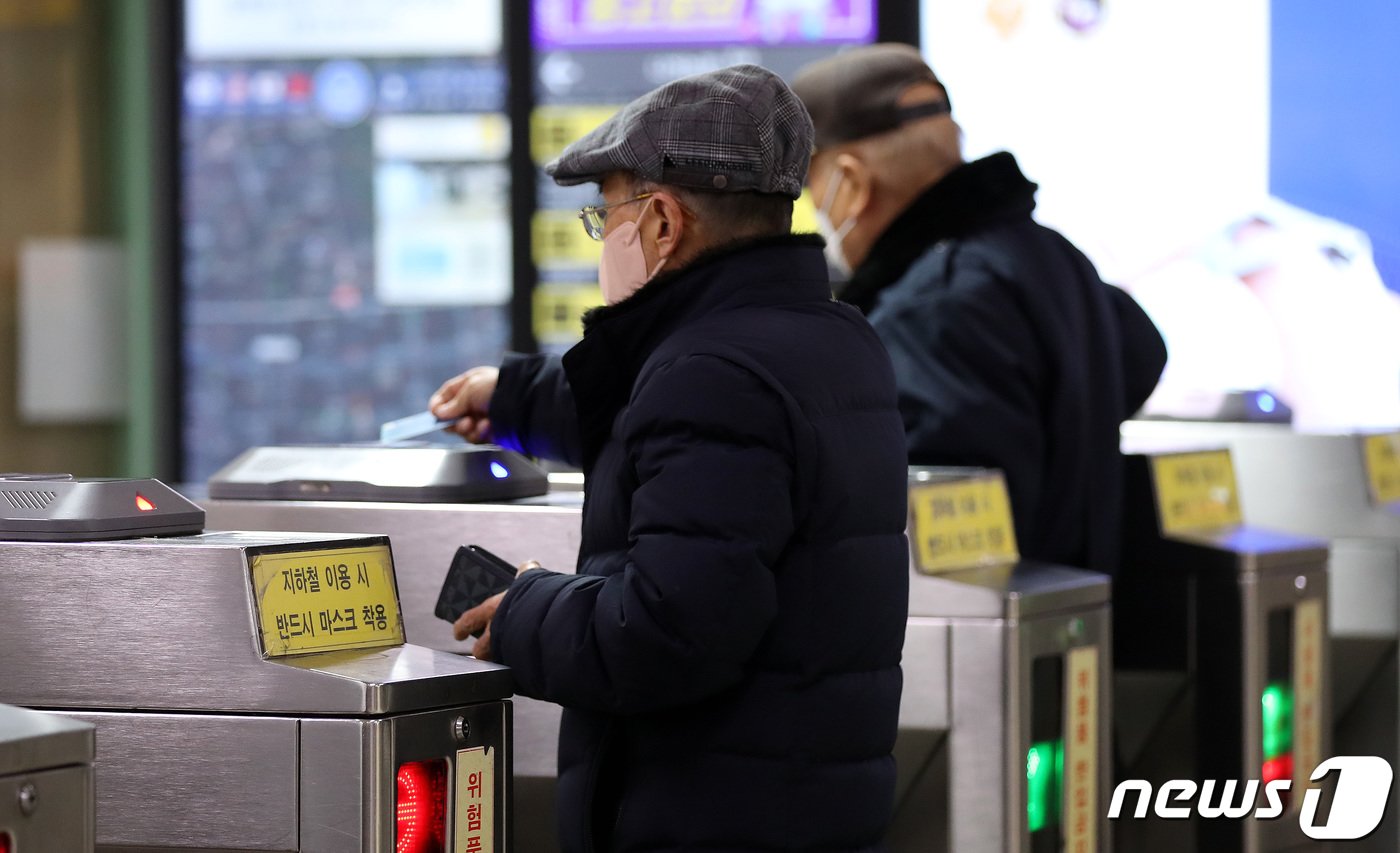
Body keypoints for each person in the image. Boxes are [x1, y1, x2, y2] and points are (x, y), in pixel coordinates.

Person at [430, 65, 910, 853]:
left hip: (706, 819)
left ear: (661, 222)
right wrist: (516, 398)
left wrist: (524, 608)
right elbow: (677, 432)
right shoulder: (832, 340)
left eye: (605, 213)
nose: (602, 238)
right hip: (803, 807)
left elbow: (667, 635)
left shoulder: (710, 374)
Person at [792, 43, 1167, 574]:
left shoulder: (933, 307)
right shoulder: (1052, 256)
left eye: (809, 186)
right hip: (1077, 605)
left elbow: (920, 518)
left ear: (850, 183)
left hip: (980, 637)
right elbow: (1142, 352)